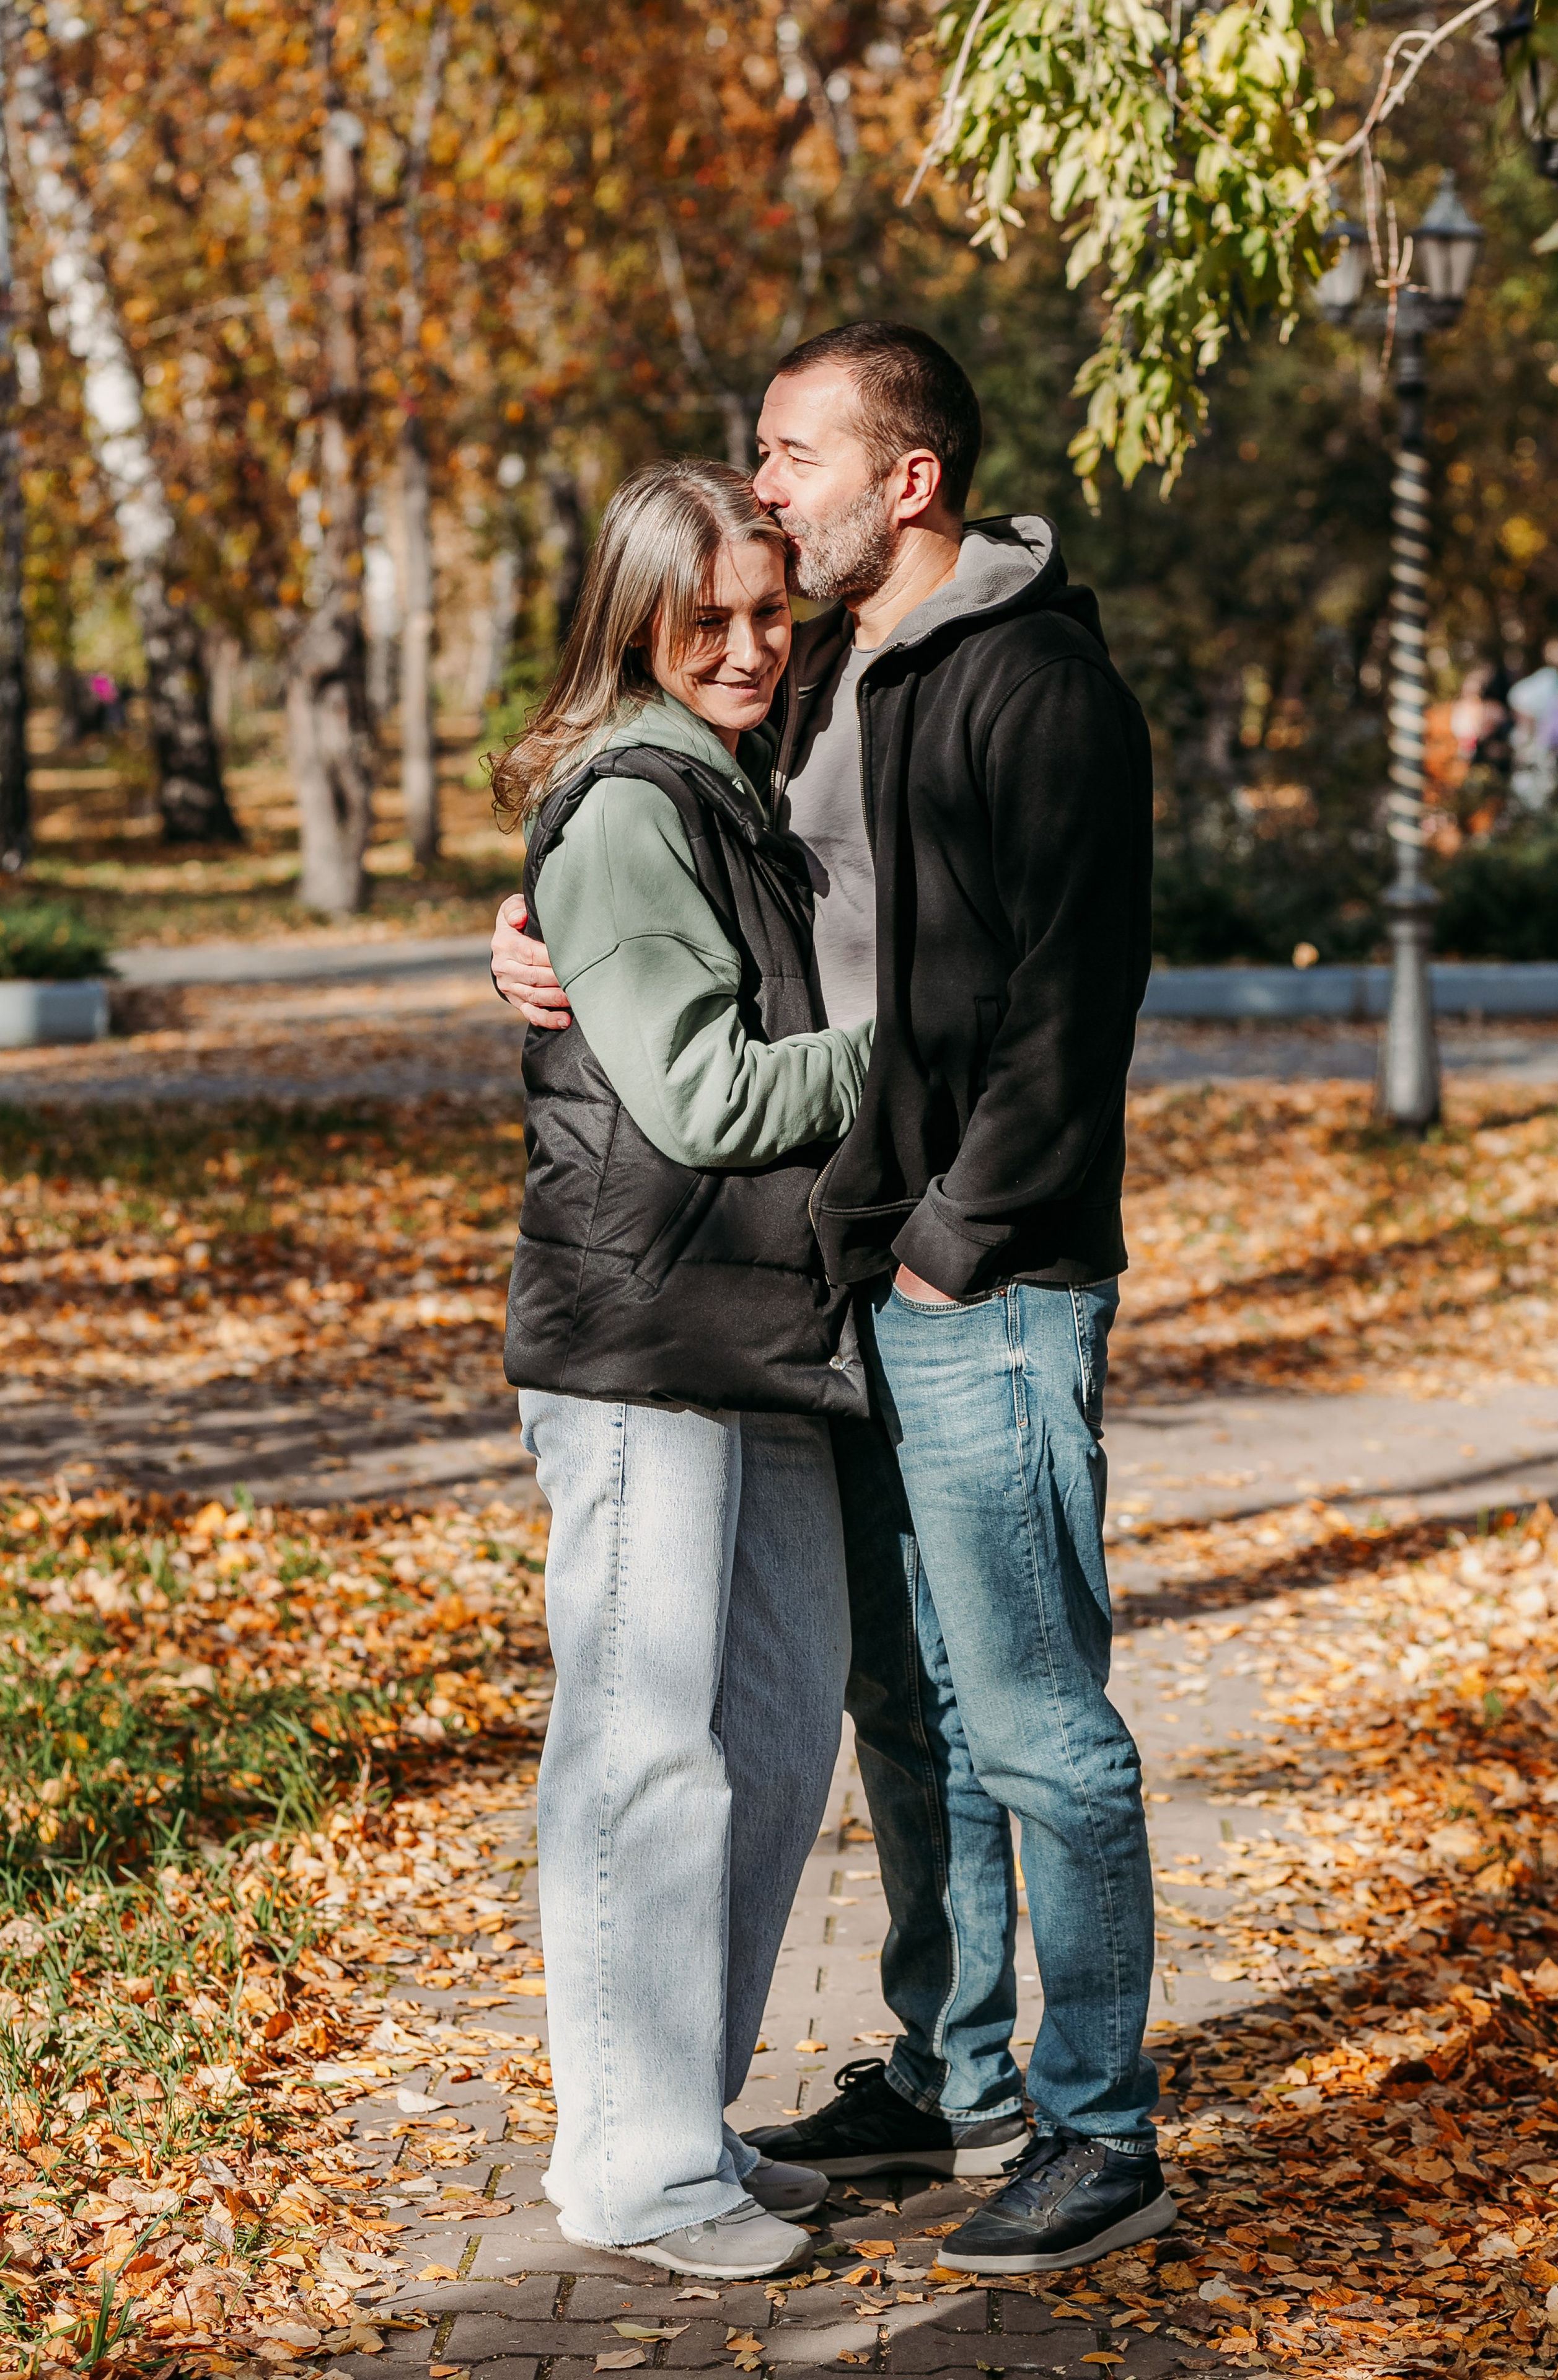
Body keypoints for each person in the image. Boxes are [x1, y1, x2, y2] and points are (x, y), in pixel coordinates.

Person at [493, 324, 1166, 2278]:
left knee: (1035, 1721)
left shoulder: (1034, 686)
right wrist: (527, 929)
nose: (765, 490)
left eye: (793, 457)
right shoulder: (816, 682)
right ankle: (947, 2076)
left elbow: (1064, 1017)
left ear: (909, 478)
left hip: (980, 1283)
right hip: (826, 1293)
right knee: (903, 1706)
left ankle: (1100, 2124)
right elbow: (653, 859)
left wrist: (955, 1244)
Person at [493, 457, 874, 2281]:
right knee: (645, 1758)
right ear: (639, 620)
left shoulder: (739, 788)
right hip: (646, 1338)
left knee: (779, 1732)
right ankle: (634, 2173)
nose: (743, 644)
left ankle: (685, 2121)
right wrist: (915, 1040)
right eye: (704, 617)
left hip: (754, 1332)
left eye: (766, 612)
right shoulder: (639, 802)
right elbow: (711, 1094)